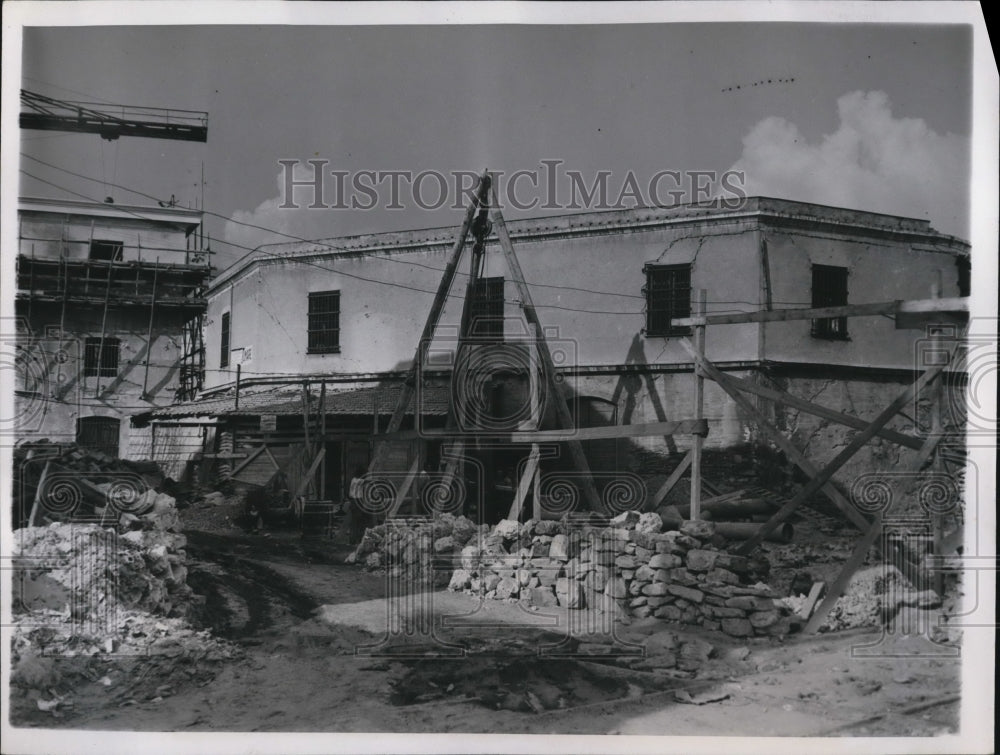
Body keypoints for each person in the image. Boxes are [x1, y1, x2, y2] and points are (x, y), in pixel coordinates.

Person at [346, 466, 368, 543]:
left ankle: (354, 539)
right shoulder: (357, 481)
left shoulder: (354, 480)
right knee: (357, 521)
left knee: (356, 521)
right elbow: (366, 482)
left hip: (355, 501)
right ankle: (354, 539)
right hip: (356, 501)